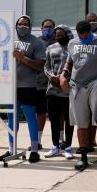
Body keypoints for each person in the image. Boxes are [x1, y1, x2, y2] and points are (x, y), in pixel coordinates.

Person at [59, 20, 97, 171]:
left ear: (90, 32)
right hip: (77, 85)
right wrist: (63, 75)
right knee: (81, 123)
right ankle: (83, 157)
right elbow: (69, 63)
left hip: (95, 83)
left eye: (86, 35)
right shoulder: (72, 43)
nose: (83, 38)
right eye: (81, 35)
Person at [0, 15, 46, 163]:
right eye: (20, 24)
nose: (22, 26)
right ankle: (11, 149)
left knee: (30, 117)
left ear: (30, 26)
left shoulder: (36, 42)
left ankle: (34, 150)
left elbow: (40, 65)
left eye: (26, 24)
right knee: (12, 119)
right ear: (15, 25)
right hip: (10, 86)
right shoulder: (7, 39)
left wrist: (22, 58)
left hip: (27, 85)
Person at [43, 24, 74, 159]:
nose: (59, 37)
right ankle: (55, 146)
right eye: (57, 35)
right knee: (54, 119)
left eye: (62, 35)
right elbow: (46, 66)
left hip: (69, 89)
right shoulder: (50, 48)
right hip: (53, 89)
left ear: (68, 34)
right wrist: (52, 77)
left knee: (69, 120)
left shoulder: (73, 47)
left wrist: (66, 79)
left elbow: (77, 65)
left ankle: (68, 147)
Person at [35, 18, 56, 147]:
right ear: (41, 28)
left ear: (54, 28)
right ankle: (38, 140)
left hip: (55, 84)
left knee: (58, 114)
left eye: (50, 27)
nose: (48, 29)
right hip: (40, 83)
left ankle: (60, 140)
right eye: (45, 27)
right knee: (40, 113)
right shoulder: (37, 42)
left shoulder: (59, 41)